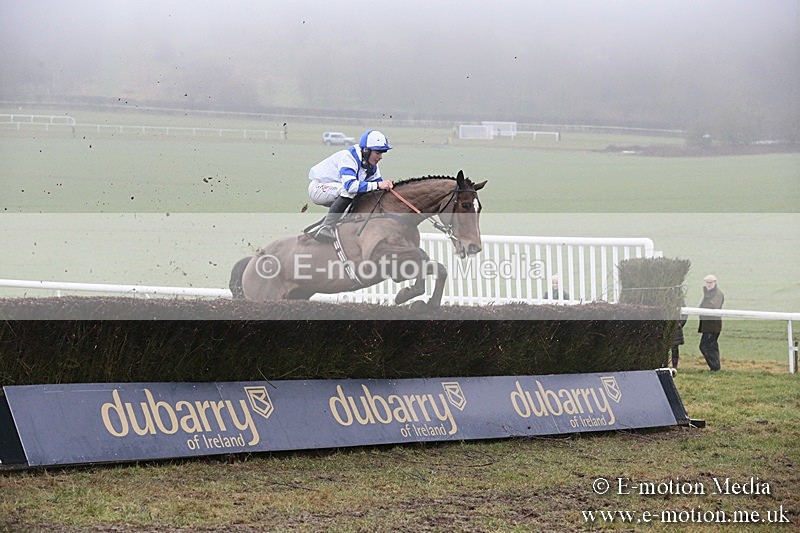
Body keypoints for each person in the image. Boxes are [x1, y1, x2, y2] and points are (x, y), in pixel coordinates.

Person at [307, 130, 394, 243]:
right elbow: (350, 186)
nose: (381, 157)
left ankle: (318, 229)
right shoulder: (349, 157)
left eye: (382, 153)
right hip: (319, 188)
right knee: (350, 191)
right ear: (366, 151)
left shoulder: (372, 167)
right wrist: (378, 185)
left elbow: (377, 190)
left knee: (360, 200)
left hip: (336, 190)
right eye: (378, 153)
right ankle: (326, 227)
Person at [698, 274, 725, 371]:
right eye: (707, 282)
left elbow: (713, 307)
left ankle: (715, 367)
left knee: (706, 346)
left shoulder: (717, 294)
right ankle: (715, 367)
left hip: (712, 325)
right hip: (708, 325)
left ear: (715, 283)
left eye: (710, 282)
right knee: (710, 345)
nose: (709, 284)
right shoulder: (708, 293)